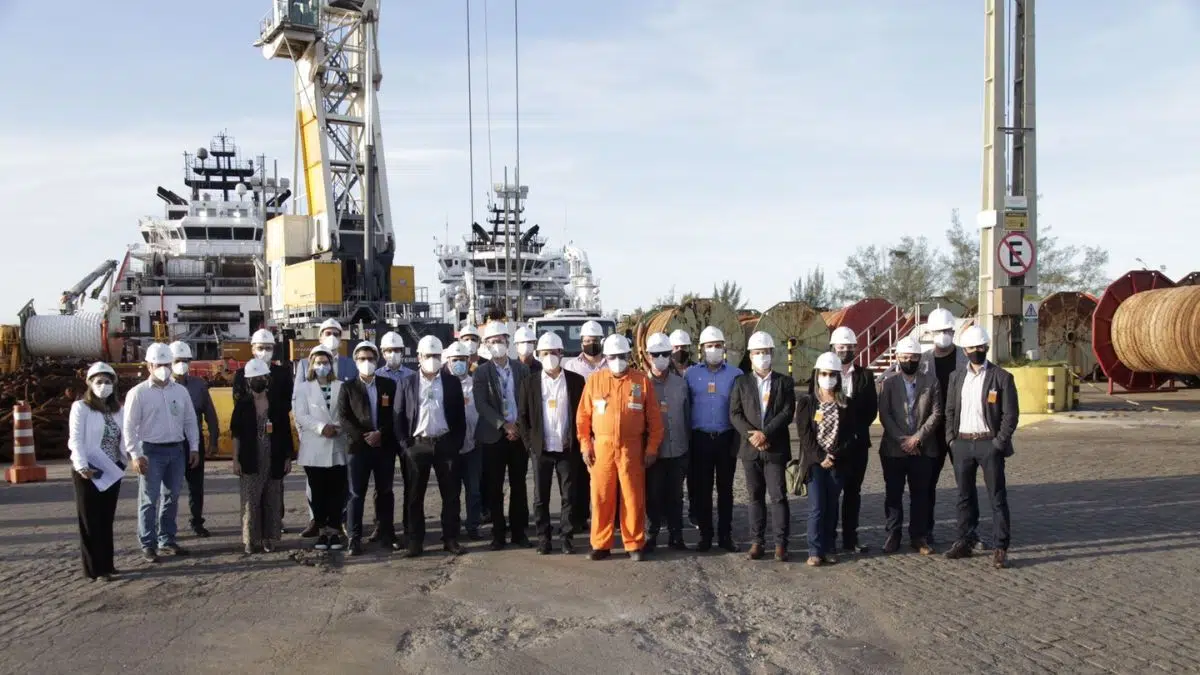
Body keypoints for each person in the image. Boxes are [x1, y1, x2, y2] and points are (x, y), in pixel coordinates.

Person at [577, 334, 663, 561]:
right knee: (601, 497)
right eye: (613, 356)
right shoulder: (595, 381)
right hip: (602, 448)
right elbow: (583, 418)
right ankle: (600, 544)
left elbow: (655, 419)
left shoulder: (641, 381)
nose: (618, 360)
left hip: (631, 448)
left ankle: (634, 544)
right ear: (606, 357)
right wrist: (585, 445)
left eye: (622, 356)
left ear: (628, 356)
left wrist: (651, 448)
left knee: (632, 497)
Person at [944, 325, 1018, 569]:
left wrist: (999, 443)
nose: (976, 351)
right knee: (963, 496)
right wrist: (951, 440)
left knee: (997, 497)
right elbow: (950, 410)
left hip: (989, 443)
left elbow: (1010, 415)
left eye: (980, 347)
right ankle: (964, 540)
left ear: (986, 347)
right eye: (972, 348)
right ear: (965, 350)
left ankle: (1000, 546)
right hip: (962, 443)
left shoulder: (1002, 377)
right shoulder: (956, 377)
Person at [123, 342, 200, 563]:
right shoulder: (138, 393)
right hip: (150, 451)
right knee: (149, 499)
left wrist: (194, 447)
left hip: (176, 450)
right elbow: (129, 427)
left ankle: (166, 539)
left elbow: (190, 421)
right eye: (159, 365)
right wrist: (135, 455)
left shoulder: (180, 391)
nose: (163, 369)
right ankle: (148, 543)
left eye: (167, 364)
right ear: (149, 365)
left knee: (171, 497)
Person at [393, 335, 468, 557]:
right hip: (418, 445)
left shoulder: (452, 382)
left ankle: (450, 538)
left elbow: (460, 417)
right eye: (428, 355)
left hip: (445, 444)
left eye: (436, 355)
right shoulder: (406, 383)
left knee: (451, 495)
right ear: (419, 357)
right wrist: (406, 446)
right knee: (414, 496)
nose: (432, 360)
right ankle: (415, 541)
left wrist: (456, 443)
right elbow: (398, 417)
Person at [729, 331, 797, 561]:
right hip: (750, 449)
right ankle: (757, 542)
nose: (762, 356)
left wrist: (765, 433)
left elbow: (787, 412)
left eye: (765, 352)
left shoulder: (784, 382)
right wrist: (752, 436)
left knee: (778, 496)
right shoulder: (741, 382)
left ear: (772, 354)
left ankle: (780, 544)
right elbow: (735, 413)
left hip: (774, 448)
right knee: (754, 496)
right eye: (757, 352)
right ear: (750, 355)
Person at [517, 331, 586, 555]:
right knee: (540, 498)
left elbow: (582, 413)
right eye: (545, 353)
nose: (549, 357)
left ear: (561, 353)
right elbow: (523, 417)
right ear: (538, 354)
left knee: (569, 496)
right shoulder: (529, 383)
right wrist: (530, 444)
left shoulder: (576, 381)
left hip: (567, 448)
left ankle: (566, 538)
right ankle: (543, 539)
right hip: (541, 450)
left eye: (553, 352)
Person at [877, 336, 942, 555]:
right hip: (893, 450)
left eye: (913, 357)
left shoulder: (931, 382)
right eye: (905, 357)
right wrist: (902, 439)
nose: (909, 361)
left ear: (919, 358)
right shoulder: (888, 383)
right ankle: (893, 535)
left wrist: (917, 438)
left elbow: (936, 413)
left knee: (921, 495)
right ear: (897, 357)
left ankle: (919, 536)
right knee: (893, 495)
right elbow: (884, 414)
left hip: (923, 448)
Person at [338, 341, 402, 555]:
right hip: (358, 448)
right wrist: (364, 437)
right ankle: (354, 538)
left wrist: (380, 434)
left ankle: (387, 533)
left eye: (371, 359)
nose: (367, 362)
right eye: (362, 359)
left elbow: (396, 414)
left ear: (377, 360)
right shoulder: (348, 387)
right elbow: (344, 417)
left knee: (385, 491)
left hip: (383, 447)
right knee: (356, 494)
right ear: (355, 362)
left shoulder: (389, 385)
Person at [474, 320, 534, 549]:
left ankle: (519, 533)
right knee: (494, 487)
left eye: (499, 340)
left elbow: (527, 400)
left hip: (518, 436)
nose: (496, 344)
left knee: (519, 485)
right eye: (491, 341)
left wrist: (517, 426)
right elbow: (481, 404)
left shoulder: (522, 369)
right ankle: (498, 534)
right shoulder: (481, 372)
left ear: (507, 342)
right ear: (486, 345)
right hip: (493, 436)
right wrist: (503, 425)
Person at [68, 362, 129, 581]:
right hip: (88, 471)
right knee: (90, 520)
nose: (103, 386)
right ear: (90, 384)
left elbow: (125, 437)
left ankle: (108, 564)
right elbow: (76, 439)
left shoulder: (118, 410)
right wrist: (81, 465)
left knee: (106, 518)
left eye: (107, 382)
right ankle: (95, 569)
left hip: (111, 469)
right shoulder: (81, 408)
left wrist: (126, 459)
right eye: (99, 382)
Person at [684, 325, 743, 553]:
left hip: (726, 438)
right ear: (701, 349)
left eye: (718, 345)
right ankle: (705, 535)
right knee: (703, 490)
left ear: (724, 348)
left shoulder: (735, 375)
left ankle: (726, 535)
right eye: (709, 346)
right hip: (700, 439)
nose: (714, 350)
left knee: (726, 490)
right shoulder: (691, 374)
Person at [230, 358, 294, 554]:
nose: (258, 381)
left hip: (274, 457)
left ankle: (269, 538)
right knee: (251, 501)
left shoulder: (277, 405)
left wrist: (287, 457)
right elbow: (236, 434)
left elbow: (286, 433)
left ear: (268, 379)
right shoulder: (242, 405)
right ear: (248, 381)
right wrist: (235, 460)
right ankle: (251, 539)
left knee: (272, 499)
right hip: (250, 458)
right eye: (254, 378)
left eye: (262, 377)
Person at [795, 352, 852, 566]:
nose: (828, 378)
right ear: (817, 375)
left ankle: (829, 547)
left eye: (832, 374)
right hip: (815, 463)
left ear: (838, 377)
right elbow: (805, 435)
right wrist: (820, 457)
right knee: (817, 507)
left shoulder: (846, 403)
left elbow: (851, 435)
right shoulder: (807, 402)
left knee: (832, 506)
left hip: (837, 462)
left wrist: (834, 455)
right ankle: (814, 550)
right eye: (824, 374)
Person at [293, 346, 348, 551]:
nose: (322, 366)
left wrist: (337, 428)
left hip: (337, 444)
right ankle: (322, 531)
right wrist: (321, 427)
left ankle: (334, 530)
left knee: (337, 492)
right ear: (311, 365)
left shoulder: (341, 386)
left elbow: (346, 412)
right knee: (318, 493)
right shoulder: (303, 388)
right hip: (314, 447)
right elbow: (301, 415)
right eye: (318, 363)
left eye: (325, 362)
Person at [828, 326, 878, 554]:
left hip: (857, 445)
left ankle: (850, 539)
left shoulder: (865, 376)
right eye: (841, 346)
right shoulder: (823, 373)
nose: (845, 350)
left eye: (849, 347)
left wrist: (853, 431)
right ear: (833, 347)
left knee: (853, 493)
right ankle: (828, 539)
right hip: (831, 445)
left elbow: (870, 410)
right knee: (831, 494)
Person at [918, 308, 966, 545]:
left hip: (960, 429)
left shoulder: (966, 357)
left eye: (947, 330)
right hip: (932, 430)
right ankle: (925, 531)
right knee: (927, 484)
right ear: (930, 333)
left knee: (965, 484)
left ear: (953, 331)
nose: (943, 335)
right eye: (939, 331)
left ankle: (968, 532)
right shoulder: (922, 361)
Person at [642, 332, 691, 552]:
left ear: (670, 354)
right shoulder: (642, 385)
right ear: (648, 356)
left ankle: (676, 536)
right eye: (656, 354)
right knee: (653, 496)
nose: (660, 358)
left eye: (664, 353)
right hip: (654, 453)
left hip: (678, 450)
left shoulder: (680, 384)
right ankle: (651, 536)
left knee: (676, 497)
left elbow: (687, 416)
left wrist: (687, 448)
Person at [168, 341, 219, 538]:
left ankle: (197, 521)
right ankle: (166, 527)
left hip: (193, 443)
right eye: (177, 360)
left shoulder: (199, 385)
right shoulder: (162, 386)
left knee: (196, 486)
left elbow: (210, 414)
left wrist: (213, 441)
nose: (182, 364)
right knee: (169, 489)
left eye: (186, 360)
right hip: (170, 444)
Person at [562, 320, 607, 532]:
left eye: (594, 340)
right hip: (580, 427)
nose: (591, 344)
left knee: (606, 477)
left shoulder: (611, 364)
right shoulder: (571, 366)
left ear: (601, 341)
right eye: (587, 341)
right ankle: (580, 518)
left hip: (605, 428)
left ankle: (607, 518)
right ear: (581, 343)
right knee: (578, 477)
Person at [372, 330, 416, 544]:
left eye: (397, 350)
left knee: (411, 483)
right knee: (383, 486)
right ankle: (382, 527)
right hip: (385, 437)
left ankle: (410, 525)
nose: (393, 354)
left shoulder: (412, 376)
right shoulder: (376, 376)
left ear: (403, 351)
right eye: (389, 350)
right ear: (382, 352)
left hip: (407, 436)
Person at [443, 341, 483, 539]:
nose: (458, 363)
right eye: (455, 359)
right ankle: (452, 528)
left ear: (468, 361)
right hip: (450, 448)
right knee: (451, 492)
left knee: (474, 490)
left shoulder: (476, 384)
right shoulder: (442, 385)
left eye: (462, 359)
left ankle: (473, 526)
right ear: (448, 361)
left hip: (472, 446)